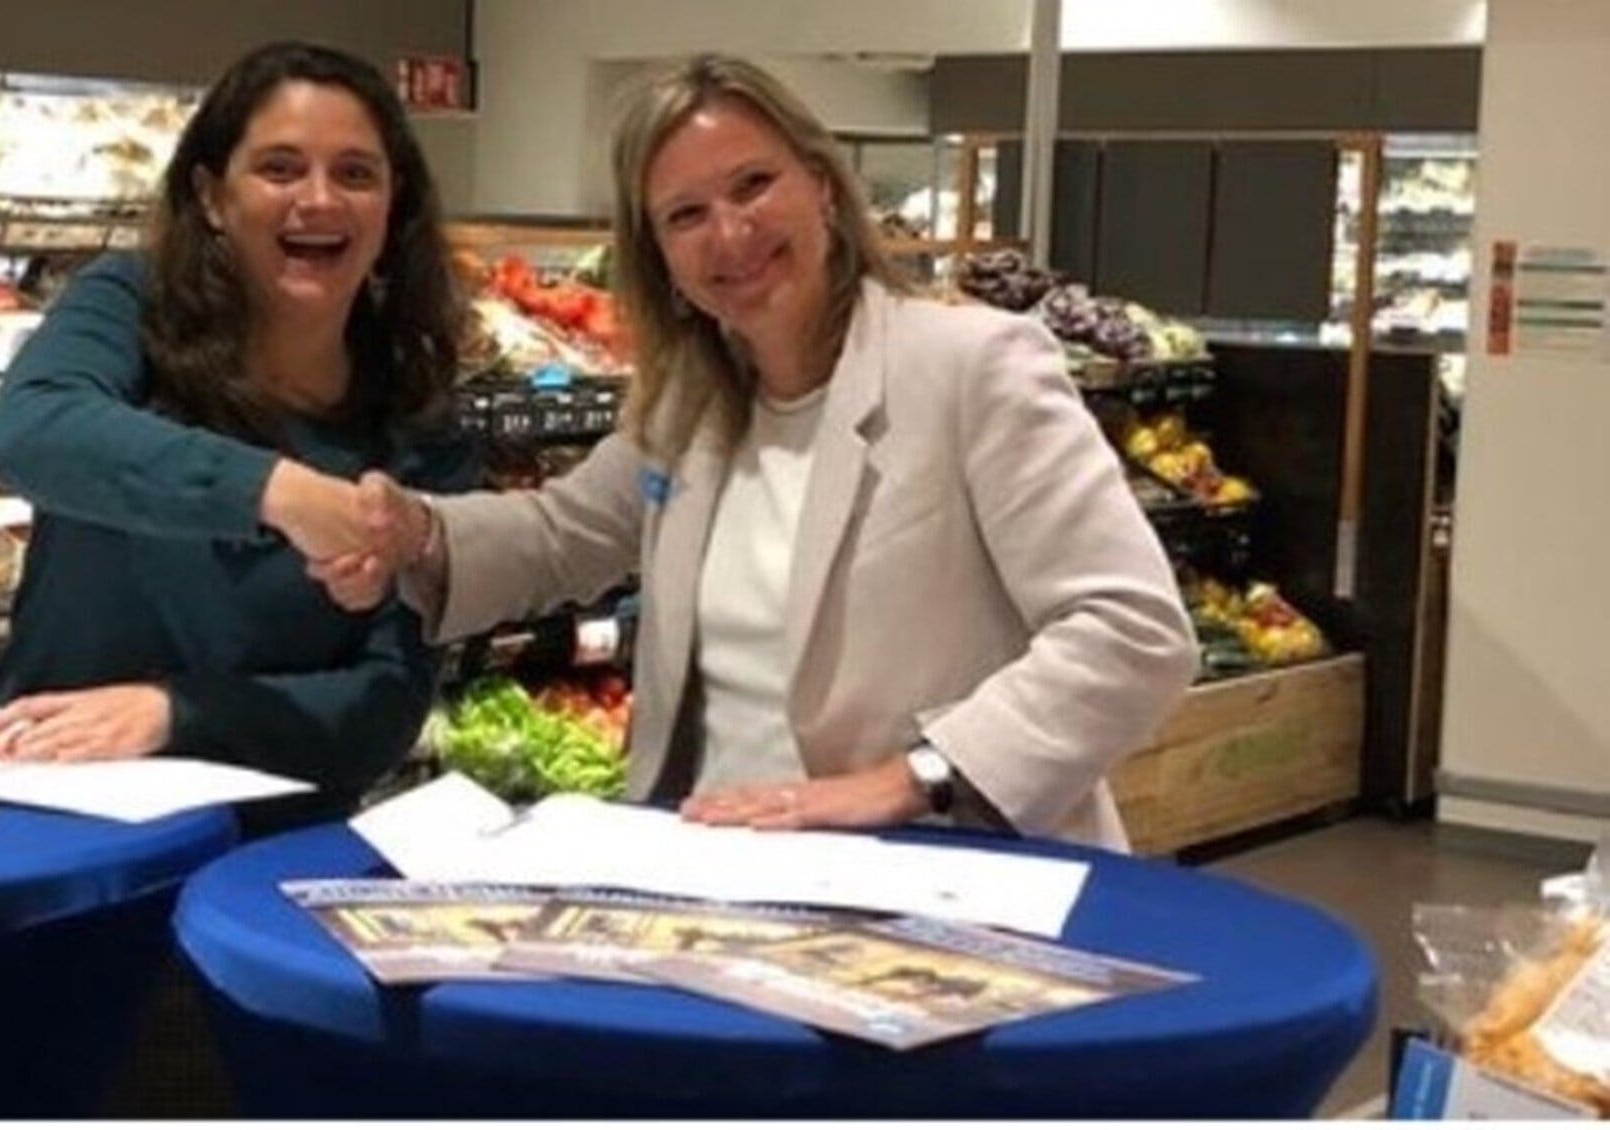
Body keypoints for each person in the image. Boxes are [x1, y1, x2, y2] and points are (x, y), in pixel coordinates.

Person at [317, 54, 1195, 850]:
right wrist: (416, 534)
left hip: (934, 866)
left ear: (821, 185)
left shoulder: (971, 367)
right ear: (658, 255)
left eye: (752, 184)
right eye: (685, 214)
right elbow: (562, 534)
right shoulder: (689, 405)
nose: (728, 233)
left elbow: (1131, 631)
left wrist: (912, 779)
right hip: (722, 873)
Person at [0, 41, 478, 824]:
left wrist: (174, 714)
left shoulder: (419, 421)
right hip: (51, 810)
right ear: (211, 194)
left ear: (393, 205)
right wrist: (276, 493)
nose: (318, 199)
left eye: (355, 173)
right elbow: (30, 427)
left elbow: (383, 706)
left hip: (264, 849)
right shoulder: (131, 305)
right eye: (279, 168)